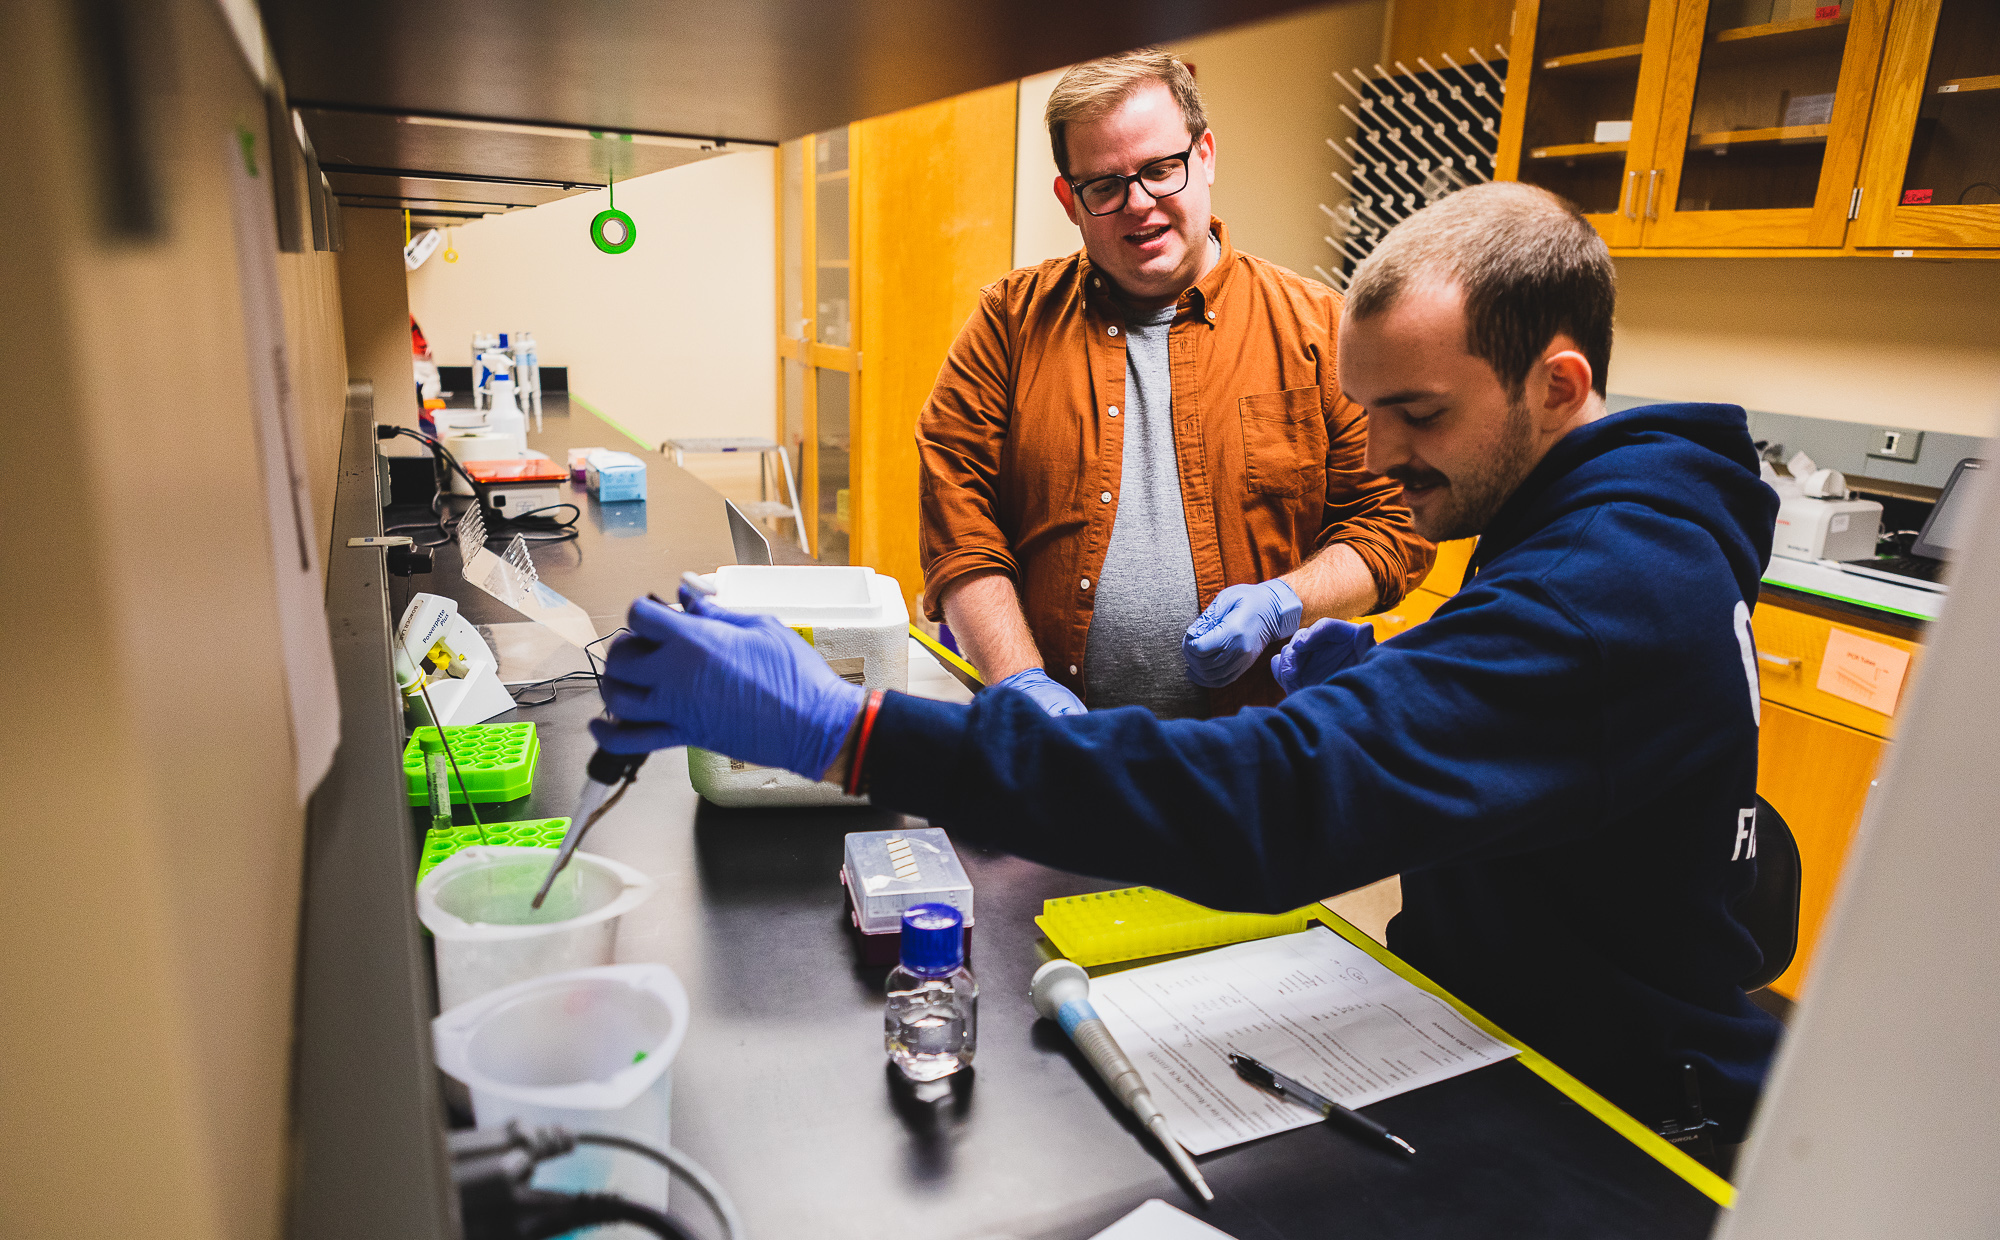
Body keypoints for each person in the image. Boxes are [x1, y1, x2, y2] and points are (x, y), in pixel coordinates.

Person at [591, 182, 1785, 1141]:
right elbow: (1564, 724)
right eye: (1367, 413)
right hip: (1498, 1015)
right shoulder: (1613, 521)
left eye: (1415, 416)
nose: (1379, 454)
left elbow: (1274, 806)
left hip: (1608, 1098)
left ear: (1556, 385)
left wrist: (847, 730)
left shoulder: (1611, 586)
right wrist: (1390, 683)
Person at [919, 49, 1432, 720]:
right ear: (1070, 201)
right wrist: (1019, 682)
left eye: (1162, 168)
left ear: (1207, 154)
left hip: (1253, 757)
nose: (1141, 205)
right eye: (1104, 186)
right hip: (1054, 761)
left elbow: (1394, 524)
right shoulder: (1006, 324)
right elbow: (960, 525)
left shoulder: (1321, 331)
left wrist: (1288, 597)